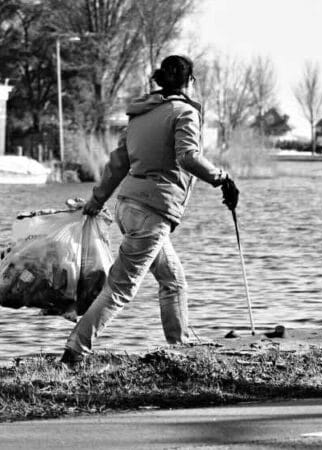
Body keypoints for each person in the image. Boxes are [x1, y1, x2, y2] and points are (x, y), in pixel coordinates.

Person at [61, 55, 239, 366]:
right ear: (189, 82)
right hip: (152, 211)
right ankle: (75, 351)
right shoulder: (184, 113)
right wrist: (221, 178)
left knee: (173, 280)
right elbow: (187, 156)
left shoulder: (141, 115)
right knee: (120, 288)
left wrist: (97, 200)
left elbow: (118, 164)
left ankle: (180, 348)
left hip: (128, 207)